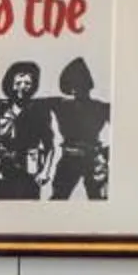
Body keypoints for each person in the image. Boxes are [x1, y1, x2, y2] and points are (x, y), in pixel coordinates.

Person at [0, 59, 57, 200]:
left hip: (29, 171)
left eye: (27, 83)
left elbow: (49, 146)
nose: (22, 87)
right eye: (18, 83)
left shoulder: (40, 111)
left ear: (33, 86)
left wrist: (45, 172)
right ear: (11, 85)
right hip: (4, 171)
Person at [49, 53, 111, 200]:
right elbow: (32, 104)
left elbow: (125, 131)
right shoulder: (61, 105)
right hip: (69, 158)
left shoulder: (102, 107)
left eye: (80, 84)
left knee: (97, 200)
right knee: (58, 198)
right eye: (74, 85)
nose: (77, 89)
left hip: (93, 158)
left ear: (88, 84)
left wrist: (105, 154)